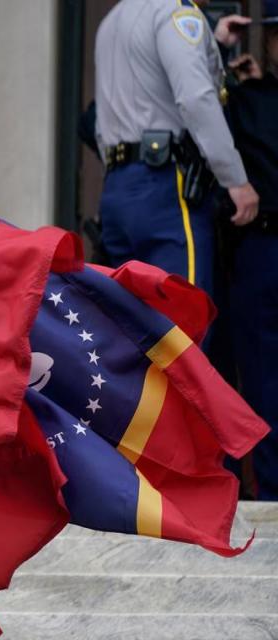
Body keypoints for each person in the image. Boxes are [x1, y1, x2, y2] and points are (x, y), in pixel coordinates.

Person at [94, 0, 259, 297]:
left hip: (117, 186)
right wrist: (235, 179)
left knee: (133, 324)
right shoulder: (176, 12)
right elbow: (196, 98)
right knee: (183, 319)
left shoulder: (112, 20)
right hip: (166, 187)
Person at [222, 2, 278, 499]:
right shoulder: (248, 99)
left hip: (262, 248)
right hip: (261, 246)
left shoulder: (248, 98)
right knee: (261, 375)